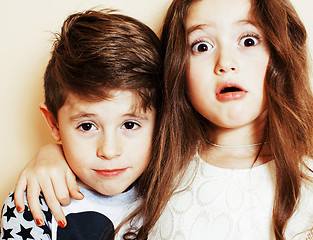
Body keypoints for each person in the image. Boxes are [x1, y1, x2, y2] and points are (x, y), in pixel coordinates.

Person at [10, 0, 313, 239]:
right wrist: (52, 155)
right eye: (202, 46)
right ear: (178, 68)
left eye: (248, 40)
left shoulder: (305, 178)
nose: (226, 63)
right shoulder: (166, 164)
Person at [0, 9, 162, 240]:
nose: (109, 151)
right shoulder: (34, 205)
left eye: (129, 125)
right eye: (87, 126)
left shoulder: (173, 190)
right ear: (53, 123)